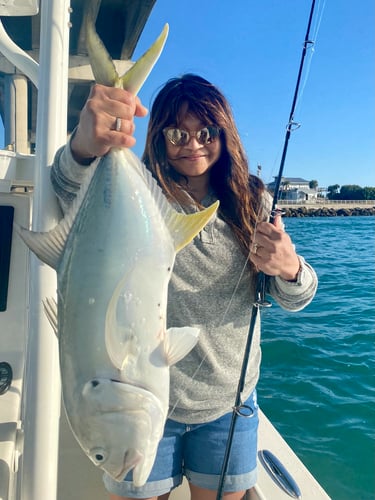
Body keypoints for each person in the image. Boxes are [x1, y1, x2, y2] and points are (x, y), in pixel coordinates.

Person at [51, 74, 318, 500]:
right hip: (144, 397)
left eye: (206, 132)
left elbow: (296, 297)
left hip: (228, 404)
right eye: (178, 134)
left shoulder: (253, 204)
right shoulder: (141, 192)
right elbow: (67, 186)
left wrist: (288, 269)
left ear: (223, 133)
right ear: (159, 136)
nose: (192, 144)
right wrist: (84, 145)